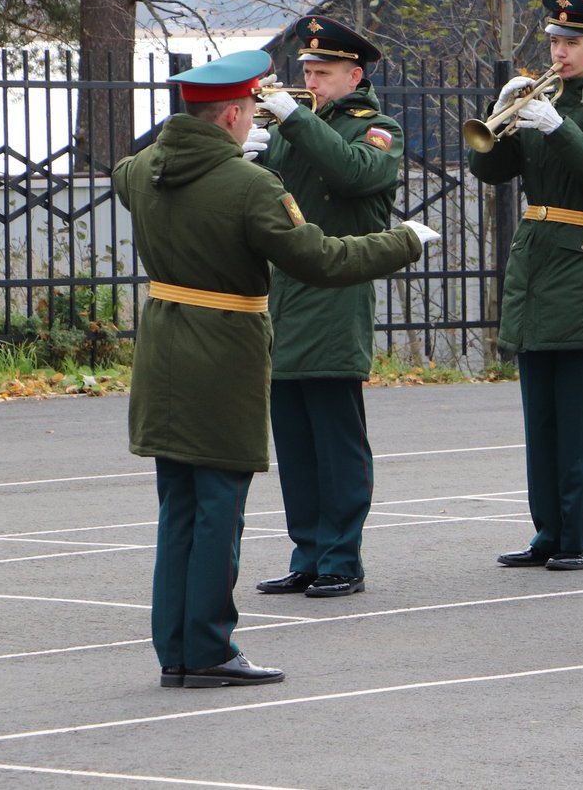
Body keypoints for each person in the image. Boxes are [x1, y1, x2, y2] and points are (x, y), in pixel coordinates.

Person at [114, 50, 430, 688]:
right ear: (235, 115)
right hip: (222, 352)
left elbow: (134, 164)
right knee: (217, 507)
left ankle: (176, 650)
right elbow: (321, 259)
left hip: (162, 349)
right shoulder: (248, 185)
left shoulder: (142, 171)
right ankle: (208, 649)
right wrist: (405, 241)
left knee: (178, 507)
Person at [470, 0, 583, 573]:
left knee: (578, 418)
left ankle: (581, 533)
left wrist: (560, 128)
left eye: (570, 43)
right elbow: (491, 169)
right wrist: (502, 113)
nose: (558, 53)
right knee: (539, 418)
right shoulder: (545, 97)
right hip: (535, 264)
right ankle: (548, 531)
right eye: (554, 43)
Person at [249, 17, 404, 601]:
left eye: (323, 72)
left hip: (338, 291)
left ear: (354, 76)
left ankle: (342, 558)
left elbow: (354, 172)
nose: (309, 80)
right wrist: (244, 158)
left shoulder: (378, 128)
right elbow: (266, 203)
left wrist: (295, 119)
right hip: (283, 291)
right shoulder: (290, 127)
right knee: (293, 440)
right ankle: (308, 554)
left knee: (336, 440)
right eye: (307, 70)